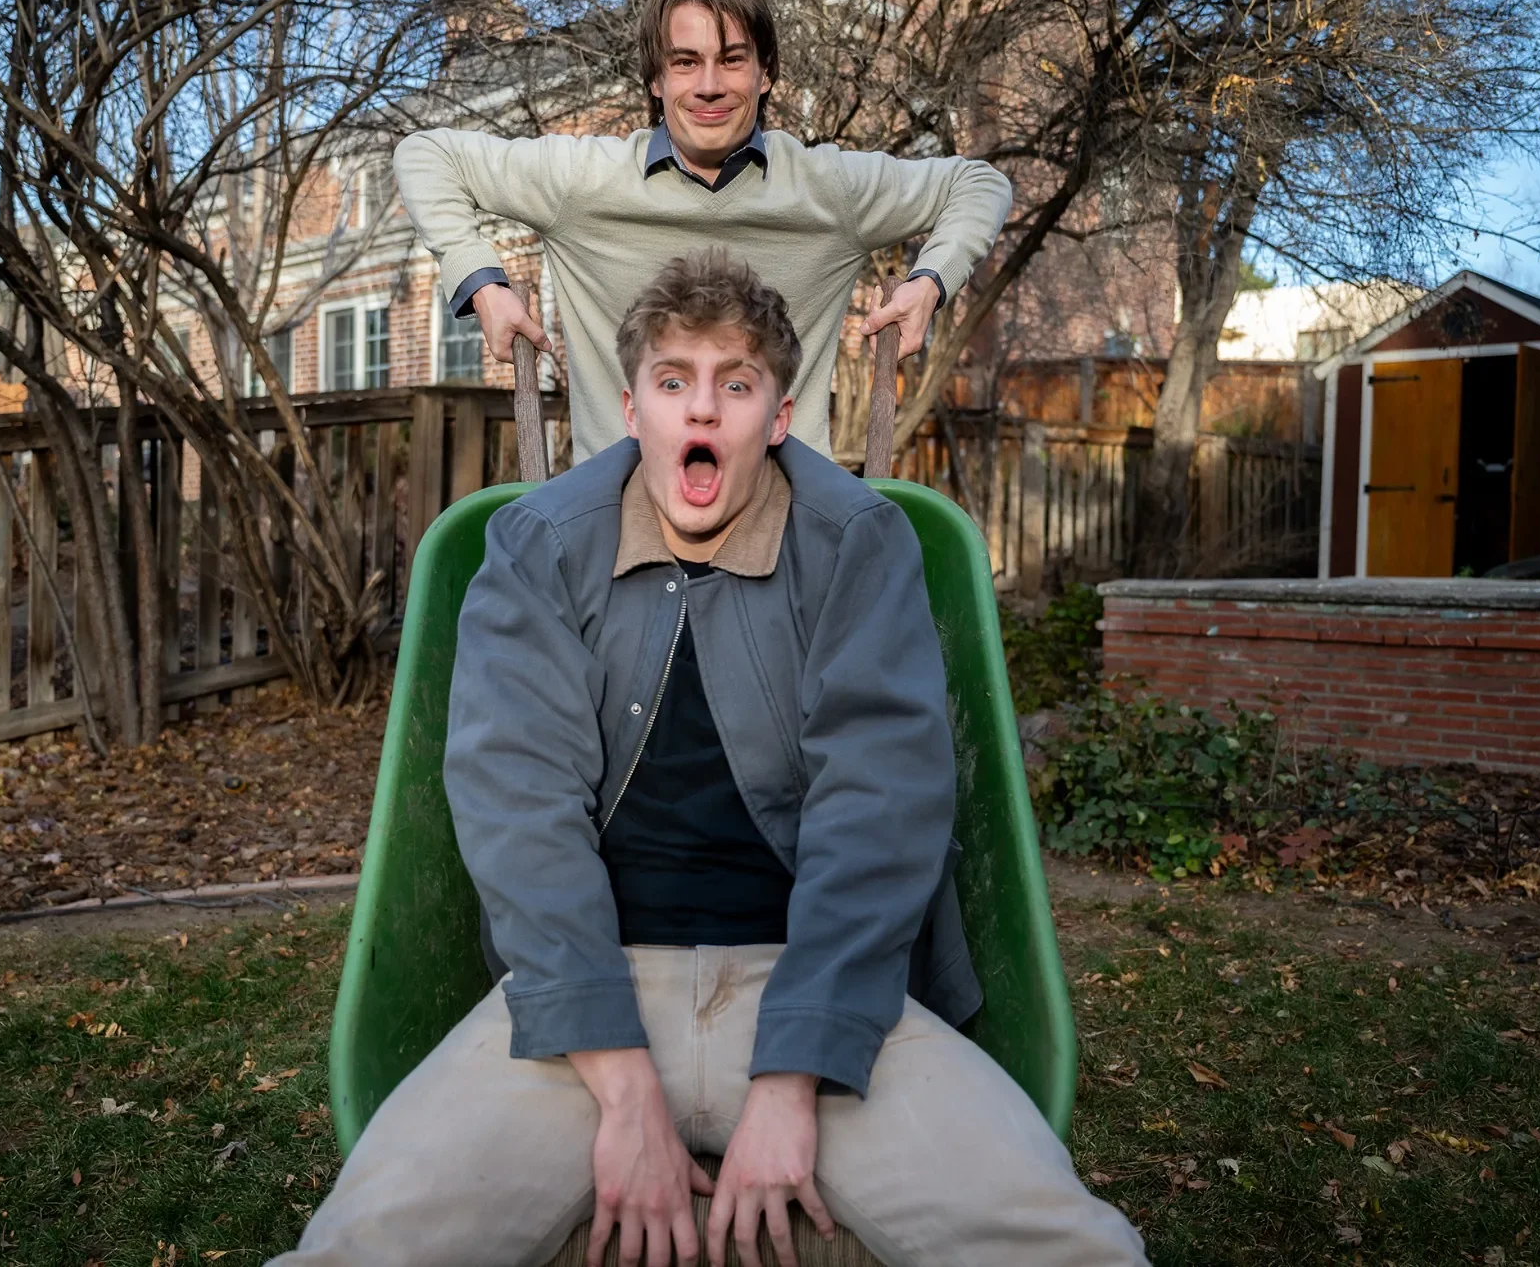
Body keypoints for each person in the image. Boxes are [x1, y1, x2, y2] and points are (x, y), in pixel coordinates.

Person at [270, 251, 1147, 1267]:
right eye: (672, 380)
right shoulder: (538, 547)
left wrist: (793, 1078)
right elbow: (519, 812)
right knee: (360, 1249)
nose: (701, 408)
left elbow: (880, 811)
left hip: (816, 986)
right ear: (631, 410)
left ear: (777, 418)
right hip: (586, 993)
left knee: (1077, 1252)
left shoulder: (856, 544)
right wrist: (623, 1088)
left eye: (736, 384)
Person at [392, 0, 1011, 463]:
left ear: (766, 74)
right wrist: (484, 284)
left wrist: (930, 283)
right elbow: (426, 154)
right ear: (656, 79)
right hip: (619, 516)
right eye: (685, 62)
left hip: (786, 521)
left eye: (733, 59)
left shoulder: (827, 188)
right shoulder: (586, 181)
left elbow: (978, 183)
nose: (709, 85)